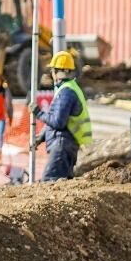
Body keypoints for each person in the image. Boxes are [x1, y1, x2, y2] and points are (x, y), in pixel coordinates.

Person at [35, 50, 91, 182]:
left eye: (53, 70)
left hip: (62, 144)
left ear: (57, 71)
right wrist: (41, 137)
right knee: (62, 183)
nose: (51, 74)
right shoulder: (68, 88)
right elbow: (56, 118)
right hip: (67, 144)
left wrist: (38, 112)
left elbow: (58, 122)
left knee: (50, 180)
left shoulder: (66, 92)